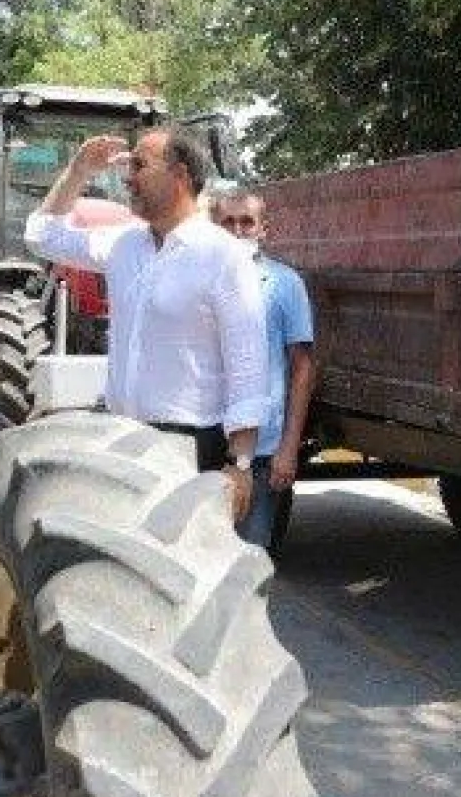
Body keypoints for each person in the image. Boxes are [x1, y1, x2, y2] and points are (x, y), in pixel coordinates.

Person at [24, 126, 267, 522]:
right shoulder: (124, 244)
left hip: (188, 447)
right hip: (121, 436)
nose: (127, 176)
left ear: (181, 177)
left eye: (140, 165)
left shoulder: (223, 256)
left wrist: (240, 466)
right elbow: (42, 236)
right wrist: (78, 172)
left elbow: (248, 367)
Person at [211, 187, 317, 549]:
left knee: (248, 560)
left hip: (260, 450)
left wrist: (289, 448)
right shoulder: (198, 279)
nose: (237, 231)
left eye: (246, 222)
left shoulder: (285, 284)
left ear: (263, 230)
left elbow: (302, 368)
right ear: (214, 226)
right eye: (228, 222)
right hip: (204, 442)